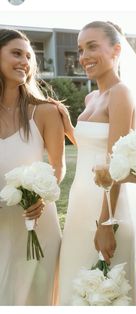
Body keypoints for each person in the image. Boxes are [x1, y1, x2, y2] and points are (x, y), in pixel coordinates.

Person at [55, 21, 136, 305]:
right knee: (73, 283)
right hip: (80, 203)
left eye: (92, 46)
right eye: (80, 49)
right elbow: (93, 150)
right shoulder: (92, 97)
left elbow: (116, 163)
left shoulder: (121, 94)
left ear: (116, 50)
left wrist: (105, 224)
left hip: (106, 207)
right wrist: (68, 126)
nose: (83, 56)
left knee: (104, 291)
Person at [0, 29, 65, 305]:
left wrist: (40, 195)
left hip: (37, 221)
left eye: (29, 56)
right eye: (16, 53)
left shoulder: (47, 111)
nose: (25, 61)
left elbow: (57, 167)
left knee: (34, 298)